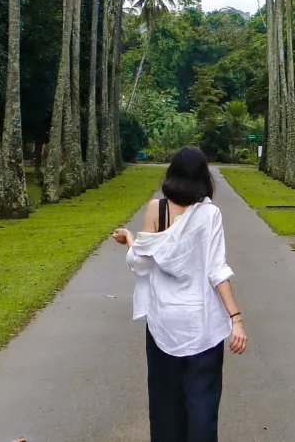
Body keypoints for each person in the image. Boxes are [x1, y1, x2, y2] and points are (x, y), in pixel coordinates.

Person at [111, 146, 247, 442]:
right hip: (202, 324)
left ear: (171, 173)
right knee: (203, 404)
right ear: (204, 178)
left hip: (163, 324)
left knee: (164, 404)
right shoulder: (210, 214)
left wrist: (130, 239)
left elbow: (140, 263)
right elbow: (217, 270)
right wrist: (235, 318)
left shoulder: (156, 209)